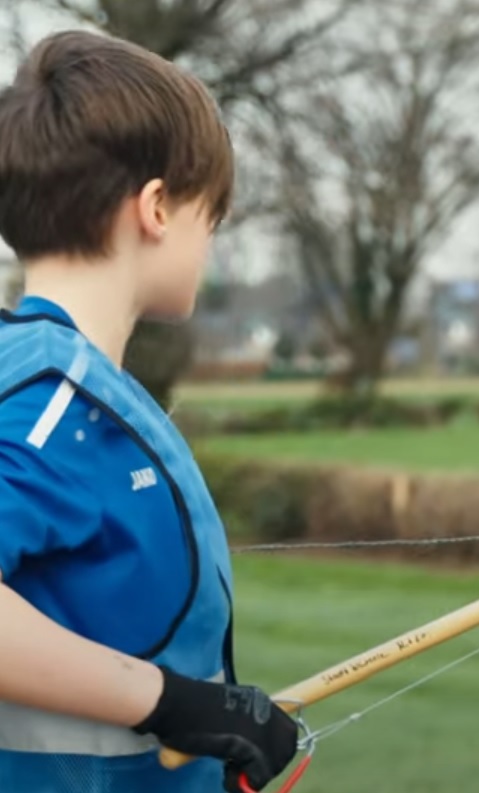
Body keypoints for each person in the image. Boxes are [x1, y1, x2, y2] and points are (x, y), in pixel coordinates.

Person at [0, 30, 299, 793]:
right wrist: (172, 702)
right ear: (158, 207)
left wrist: (213, 718)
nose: (211, 246)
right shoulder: (49, 398)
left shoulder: (74, 385)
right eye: (213, 218)